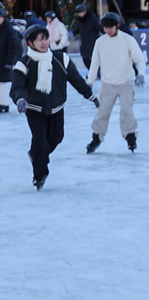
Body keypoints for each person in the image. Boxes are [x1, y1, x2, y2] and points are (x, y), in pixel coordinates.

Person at [11, 24, 96, 189]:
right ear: (30, 43)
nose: (44, 43)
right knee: (40, 141)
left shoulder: (60, 58)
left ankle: (36, 155)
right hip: (34, 108)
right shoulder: (24, 63)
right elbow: (17, 86)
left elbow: (76, 79)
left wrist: (90, 95)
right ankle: (39, 175)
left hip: (56, 106)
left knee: (56, 137)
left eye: (45, 38)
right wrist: (20, 99)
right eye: (39, 40)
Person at [85, 12, 146, 154]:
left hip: (126, 81)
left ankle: (131, 136)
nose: (108, 30)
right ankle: (97, 138)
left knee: (127, 110)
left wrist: (141, 74)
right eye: (105, 27)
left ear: (117, 25)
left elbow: (140, 58)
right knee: (103, 112)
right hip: (108, 83)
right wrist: (90, 82)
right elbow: (95, 64)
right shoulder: (100, 42)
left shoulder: (127, 39)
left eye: (111, 27)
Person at [0, 4, 21, 113]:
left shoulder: (9, 30)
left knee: (2, 83)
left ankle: (4, 104)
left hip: (4, 61)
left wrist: (9, 62)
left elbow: (13, 47)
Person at [72, 3, 102, 72]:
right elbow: (78, 28)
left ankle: (96, 72)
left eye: (80, 12)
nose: (79, 14)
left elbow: (99, 27)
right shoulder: (80, 20)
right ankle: (92, 71)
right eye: (78, 13)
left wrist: (106, 33)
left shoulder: (93, 18)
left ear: (85, 11)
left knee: (94, 58)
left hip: (93, 42)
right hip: (84, 42)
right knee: (85, 58)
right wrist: (74, 32)